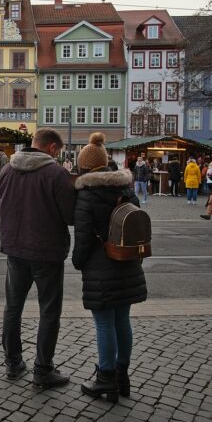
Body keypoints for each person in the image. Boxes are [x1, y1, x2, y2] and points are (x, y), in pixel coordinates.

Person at [0, 128, 76, 389]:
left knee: (13, 308)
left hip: (15, 248)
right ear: (52, 148)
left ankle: (12, 362)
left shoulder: (7, 170)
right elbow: (71, 216)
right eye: (59, 150)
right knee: (49, 311)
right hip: (46, 251)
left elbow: (2, 203)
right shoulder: (56, 173)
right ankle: (42, 371)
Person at [72, 132, 146, 402]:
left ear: (85, 167)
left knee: (104, 323)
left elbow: (82, 239)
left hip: (100, 266)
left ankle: (105, 378)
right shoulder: (125, 189)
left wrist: (77, 262)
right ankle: (122, 376)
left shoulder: (87, 196)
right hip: (127, 262)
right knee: (122, 320)